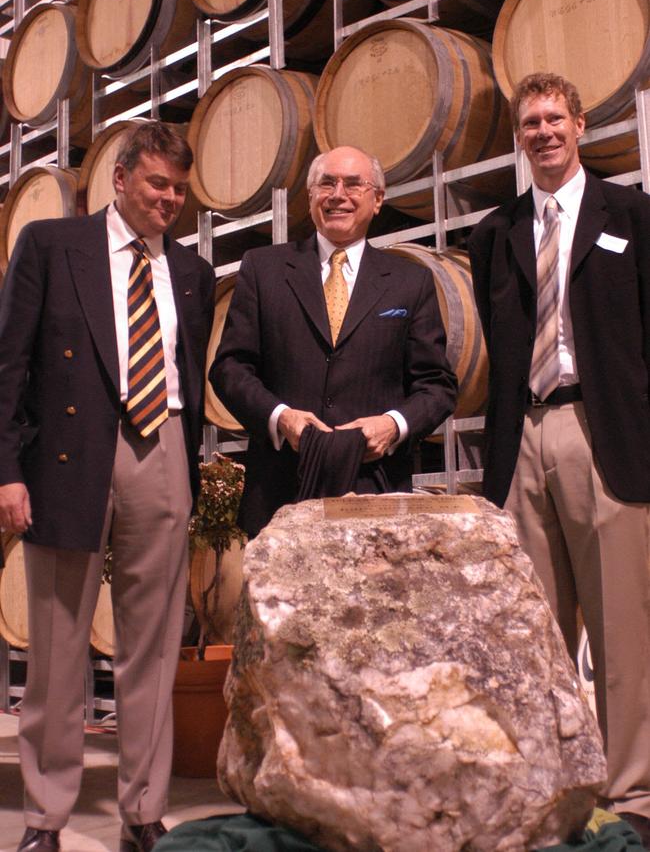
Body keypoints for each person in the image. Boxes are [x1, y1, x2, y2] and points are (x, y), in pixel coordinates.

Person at [0, 122, 216, 852]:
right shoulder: (52, 247)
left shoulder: (190, 270)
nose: (170, 200)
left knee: (153, 644)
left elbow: (187, 365)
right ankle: (45, 816)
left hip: (164, 445)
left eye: (180, 190)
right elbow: (8, 369)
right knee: (59, 645)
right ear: (120, 179)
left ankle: (145, 808)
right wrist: (5, 469)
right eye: (158, 184)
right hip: (68, 451)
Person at [468, 72, 650, 843]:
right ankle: (550, 785)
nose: (542, 131)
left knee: (622, 628)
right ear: (519, 134)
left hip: (602, 432)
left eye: (554, 118)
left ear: (580, 126)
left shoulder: (631, 215)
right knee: (533, 635)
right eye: (529, 121)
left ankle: (635, 794)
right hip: (524, 436)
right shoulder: (494, 231)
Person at [210, 145, 457, 538]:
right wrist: (281, 418)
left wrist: (393, 425)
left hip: (375, 487)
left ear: (377, 200)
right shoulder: (264, 268)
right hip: (279, 489)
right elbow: (229, 369)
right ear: (310, 197)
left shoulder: (410, 282)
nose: (338, 194)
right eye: (326, 183)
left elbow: (437, 387)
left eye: (354, 184)